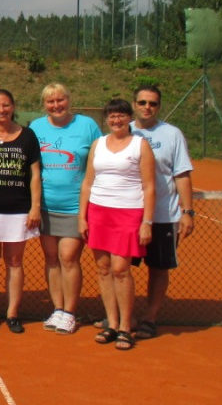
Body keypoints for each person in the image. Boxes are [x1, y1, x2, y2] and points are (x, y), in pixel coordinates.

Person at [80, 98, 155, 351]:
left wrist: (147, 221)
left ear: (129, 117)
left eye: (121, 115)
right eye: (112, 116)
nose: (116, 120)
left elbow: (149, 186)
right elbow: (88, 182)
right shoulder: (98, 144)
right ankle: (111, 323)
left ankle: (125, 327)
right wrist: (83, 216)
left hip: (128, 212)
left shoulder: (140, 145)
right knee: (103, 268)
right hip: (99, 212)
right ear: (107, 119)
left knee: (121, 268)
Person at [28, 83, 101, 335]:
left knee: (68, 258)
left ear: (69, 100)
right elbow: (32, 166)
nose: (56, 105)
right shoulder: (36, 127)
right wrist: (34, 205)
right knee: (51, 259)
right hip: (46, 206)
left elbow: (97, 162)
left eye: (60, 100)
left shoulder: (87, 126)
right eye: (50, 101)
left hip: (74, 206)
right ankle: (57, 309)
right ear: (44, 104)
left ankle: (69, 312)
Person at [0, 89, 41, 334]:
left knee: (14, 261)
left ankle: (12, 313)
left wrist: (34, 207)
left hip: (18, 210)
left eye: (6, 105)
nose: (1, 110)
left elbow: (34, 175)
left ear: (13, 107)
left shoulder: (28, 136)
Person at [130, 85, 195, 339]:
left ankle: (150, 318)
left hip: (164, 216)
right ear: (134, 104)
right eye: (143, 102)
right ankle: (126, 316)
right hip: (129, 215)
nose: (147, 107)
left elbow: (182, 174)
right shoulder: (124, 131)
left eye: (153, 103)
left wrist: (188, 211)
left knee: (158, 269)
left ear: (159, 106)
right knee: (121, 267)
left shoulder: (172, 134)